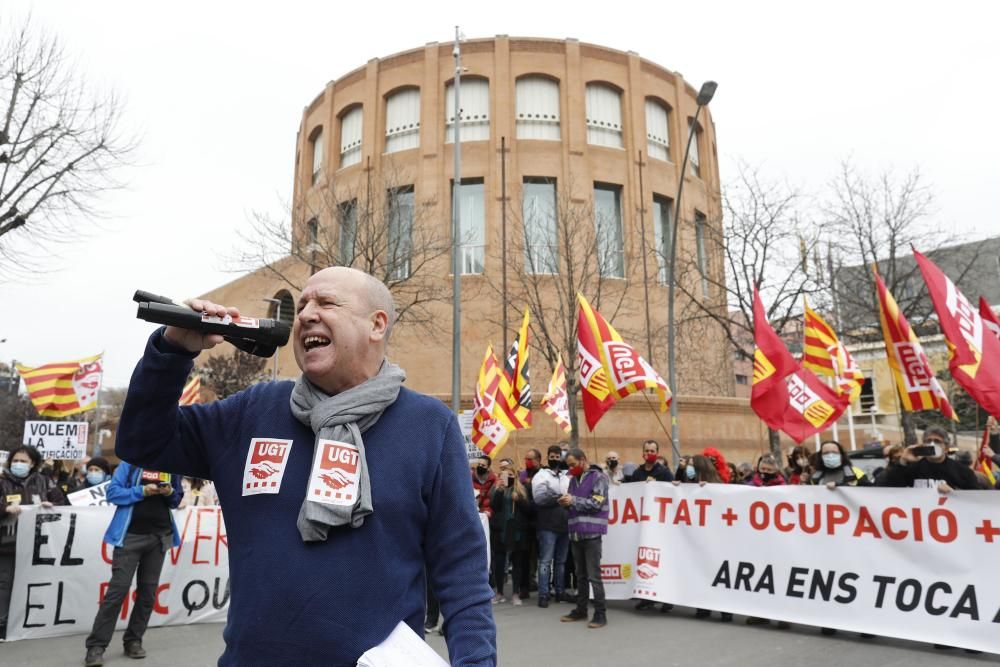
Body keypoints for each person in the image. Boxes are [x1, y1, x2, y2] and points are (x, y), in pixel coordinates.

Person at [113, 267, 496, 666]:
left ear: (376, 325)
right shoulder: (252, 411)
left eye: (326, 302)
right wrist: (174, 350)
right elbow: (142, 441)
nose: (306, 314)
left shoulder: (429, 425)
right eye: (302, 306)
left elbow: (462, 571)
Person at [84, 462, 184, 666]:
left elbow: (175, 500)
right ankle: (96, 646)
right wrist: (143, 491)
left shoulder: (173, 464)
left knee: (148, 593)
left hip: (160, 537)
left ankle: (133, 641)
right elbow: (113, 493)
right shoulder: (129, 464)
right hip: (129, 537)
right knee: (117, 592)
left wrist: (169, 492)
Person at [0, 445, 69, 639]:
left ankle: (30, 621)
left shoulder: (44, 482)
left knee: (33, 584)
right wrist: (4, 508)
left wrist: (51, 506)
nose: (19, 464)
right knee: (5, 585)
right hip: (7, 544)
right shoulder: (1, 482)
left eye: (23, 461)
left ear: (33, 464)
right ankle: (2, 624)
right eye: (16, 460)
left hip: (38, 545)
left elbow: (62, 503)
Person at [674, 455, 732, 622]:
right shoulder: (689, 485)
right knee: (700, 571)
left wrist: (710, 490)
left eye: (692, 465)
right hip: (697, 539)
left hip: (715, 539)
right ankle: (703, 607)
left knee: (717, 574)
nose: (689, 468)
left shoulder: (717, 485)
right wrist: (677, 486)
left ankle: (725, 610)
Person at [558, 449, 609, 629]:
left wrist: (573, 501)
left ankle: (600, 614)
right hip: (576, 532)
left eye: (573, 464)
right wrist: (565, 503)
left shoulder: (598, 478)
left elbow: (596, 503)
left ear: (583, 460)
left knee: (594, 576)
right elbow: (575, 503)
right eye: (569, 466)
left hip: (592, 532)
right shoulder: (573, 481)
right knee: (580, 576)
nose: (571, 469)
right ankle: (581, 610)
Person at [875, 426, 978, 492]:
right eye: (928, 441)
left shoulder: (962, 472)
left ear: (946, 447)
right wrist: (903, 461)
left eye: (937, 441)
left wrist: (955, 494)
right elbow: (886, 489)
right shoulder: (912, 469)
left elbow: (976, 499)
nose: (932, 444)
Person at [532, 445, 572, 608]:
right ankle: (543, 594)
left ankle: (560, 591)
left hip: (565, 525)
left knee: (561, 562)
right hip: (547, 525)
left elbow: (572, 494)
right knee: (545, 562)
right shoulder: (541, 475)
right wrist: (558, 498)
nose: (555, 459)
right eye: (552, 456)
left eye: (558, 456)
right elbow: (539, 498)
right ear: (547, 457)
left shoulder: (566, 476)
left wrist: (564, 497)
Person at [490, 459, 532, 605]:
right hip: (501, 530)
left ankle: (515, 593)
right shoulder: (497, 489)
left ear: (514, 475)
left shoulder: (521, 489)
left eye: (510, 474)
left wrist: (519, 500)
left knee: (517, 562)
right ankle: (500, 592)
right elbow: (494, 506)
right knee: (500, 563)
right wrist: (499, 490)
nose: (507, 476)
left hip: (517, 531)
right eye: (504, 474)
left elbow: (529, 510)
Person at [472, 454, 498, 518]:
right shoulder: (470, 477)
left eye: (483, 465)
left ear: (488, 467)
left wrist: (488, 511)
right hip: (472, 510)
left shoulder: (493, 479)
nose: (480, 466)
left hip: (484, 513)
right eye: (479, 464)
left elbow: (490, 498)